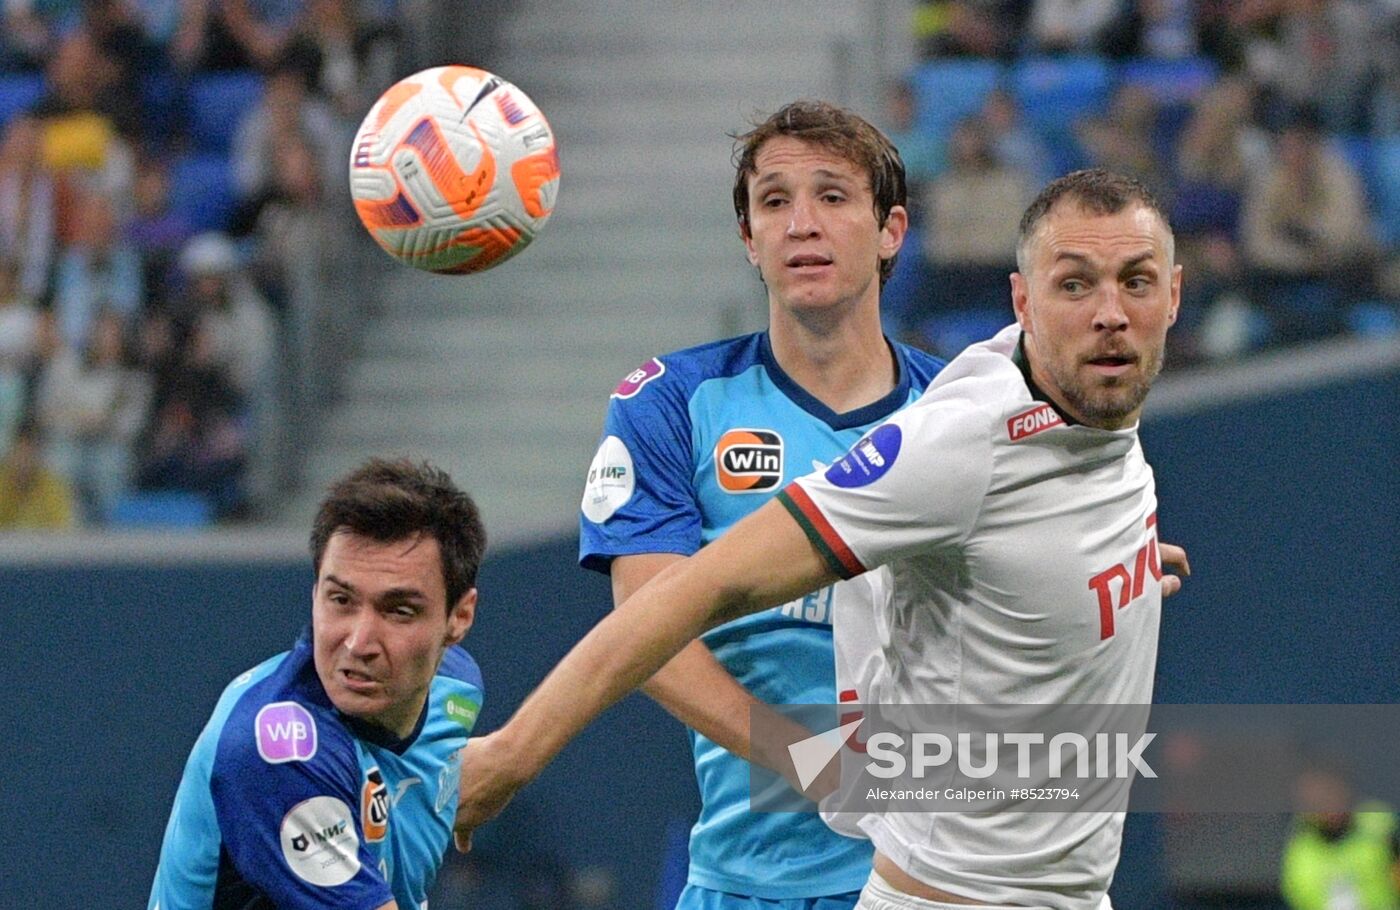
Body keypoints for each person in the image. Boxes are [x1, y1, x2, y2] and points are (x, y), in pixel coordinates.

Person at [456, 168, 1190, 909]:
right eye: (1074, 286)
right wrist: (513, 755)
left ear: (1174, 295)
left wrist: (1095, 564)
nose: (1109, 314)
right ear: (1023, 302)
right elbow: (704, 587)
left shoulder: (1088, 412)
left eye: (1136, 282)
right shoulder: (960, 443)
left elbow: (1020, 522)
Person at [578, 100, 946, 909]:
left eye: (833, 197)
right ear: (748, 239)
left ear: (891, 231)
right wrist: (809, 759)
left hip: (934, 882)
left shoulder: (961, 411)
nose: (800, 224)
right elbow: (647, 630)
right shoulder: (671, 404)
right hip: (746, 885)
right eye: (774, 202)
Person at [148, 458, 486, 910]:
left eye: (399, 610)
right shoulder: (275, 751)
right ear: (314, 593)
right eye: (341, 600)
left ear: (458, 618)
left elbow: (480, 762)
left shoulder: (453, 687)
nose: (358, 642)